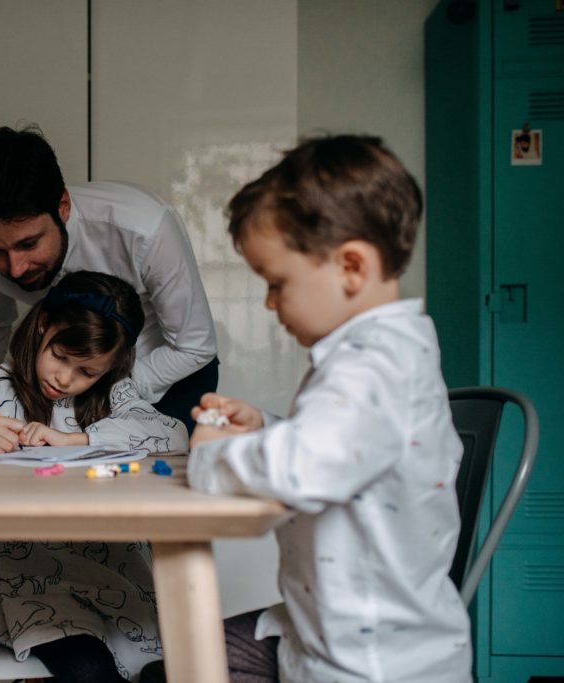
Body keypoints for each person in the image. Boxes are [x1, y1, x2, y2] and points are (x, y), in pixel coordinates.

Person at [141, 135, 472, 683]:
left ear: (350, 268)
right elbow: (339, 448)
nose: (270, 304)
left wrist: (213, 456)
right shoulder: (377, 353)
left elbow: (301, 469)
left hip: (369, 665)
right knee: (183, 656)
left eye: (277, 284)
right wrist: (266, 427)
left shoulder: (375, 366)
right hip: (326, 633)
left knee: (182, 663)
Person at [0, 271, 187, 682]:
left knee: (169, 668)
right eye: (61, 357)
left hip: (121, 574)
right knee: (87, 670)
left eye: (87, 372)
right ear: (43, 324)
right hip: (33, 582)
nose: (66, 379)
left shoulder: (112, 397)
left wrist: (76, 439)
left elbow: (174, 434)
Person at [0, 125, 218, 434]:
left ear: (63, 207)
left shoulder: (146, 228)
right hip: (64, 393)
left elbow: (195, 347)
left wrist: (104, 391)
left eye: (28, 244)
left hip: (168, 377)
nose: (16, 269)